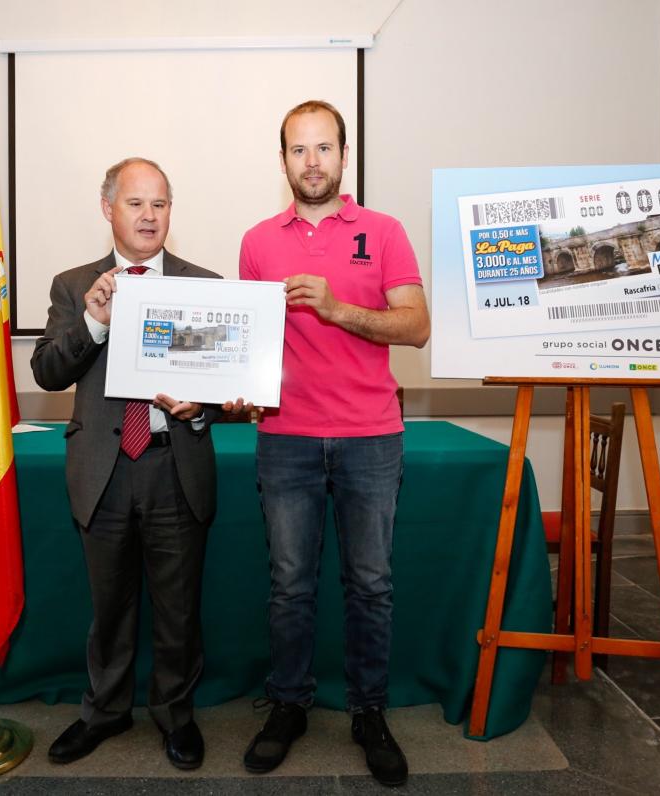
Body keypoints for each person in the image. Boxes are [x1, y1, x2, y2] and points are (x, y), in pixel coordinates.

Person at [233, 100, 429, 787]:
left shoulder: (385, 231)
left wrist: (335, 306)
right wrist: (236, 385)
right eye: (298, 149)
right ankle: (288, 704)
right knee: (289, 587)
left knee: (371, 585)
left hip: (370, 438)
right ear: (282, 159)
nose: (311, 162)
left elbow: (416, 327)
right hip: (284, 438)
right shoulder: (257, 241)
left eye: (324, 149)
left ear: (345, 157)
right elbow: (250, 344)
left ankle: (368, 710)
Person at [31, 157, 222, 771]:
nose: (148, 215)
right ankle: (105, 712)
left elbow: (222, 380)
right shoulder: (74, 285)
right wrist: (95, 321)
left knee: (178, 607)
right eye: (136, 203)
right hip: (103, 470)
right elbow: (47, 371)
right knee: (108, 607)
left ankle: (176, 716)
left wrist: (202, 406)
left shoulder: (204, 286)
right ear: (108, 208)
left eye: (160, 204)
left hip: (175, 462)